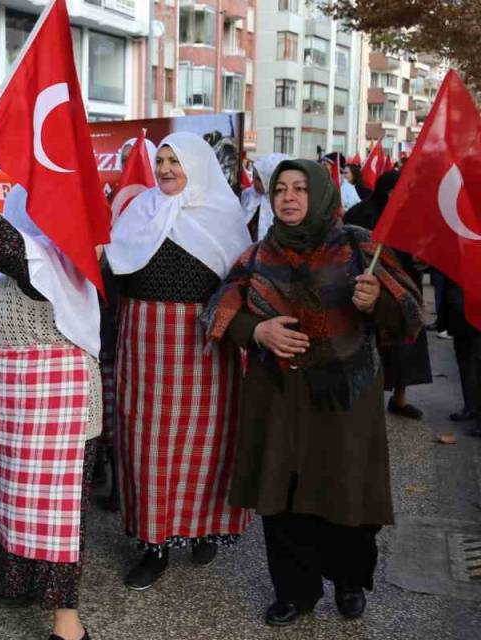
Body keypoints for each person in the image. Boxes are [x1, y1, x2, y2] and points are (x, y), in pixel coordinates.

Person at [203, 159, 423, 626]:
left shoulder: (359, 246)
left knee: (347, 494)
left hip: (346, 398)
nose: (288, 197)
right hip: (279, 396)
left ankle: (348, 582)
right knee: (283, 497)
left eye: (300, 188)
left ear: (320, 194)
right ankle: (294, 592)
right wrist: (258, 331)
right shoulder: (258, 255)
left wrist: (375, 301)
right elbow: (216, 311)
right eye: (280, 189)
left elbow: (409, 316)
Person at [0, 145, 102, 640]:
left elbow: (11, 251)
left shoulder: (57, 262)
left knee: (57, 512)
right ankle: (17, 580)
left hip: (60, 402)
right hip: (16, 399)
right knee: (14, 497)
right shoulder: (26, 260)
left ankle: (67, 623)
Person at [104, 132, 253, 590]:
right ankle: (155, 546)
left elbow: (242, 286)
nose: (166, 169)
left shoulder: (223, 217)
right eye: (162, 160)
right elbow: (114, 272)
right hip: (143, 344)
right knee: (146, 443)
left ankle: (205, 525)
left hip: (204, 348)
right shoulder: (138, 211)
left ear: (198, 166)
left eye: (176, 161)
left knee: (205, 445)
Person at [345, 171, 432, 419]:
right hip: (370, 288)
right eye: (393, 191)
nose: (397, 196)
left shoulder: (410, 215)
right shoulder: (361, 213)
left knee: (406, 347)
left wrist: (422, 261)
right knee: (370, 348)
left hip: (403, 289)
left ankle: (400, 398)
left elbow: (423, 246)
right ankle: (365, 398)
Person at [440, 276, 479, 435]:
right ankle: (471, 406)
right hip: (459, 301)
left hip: (471, 300)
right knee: (465, 356)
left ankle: (474, 409)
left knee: (474, 358)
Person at [240, 153, 288, 242]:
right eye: (253, 176)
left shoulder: (283, 203)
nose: (253, 182)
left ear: (270, 179)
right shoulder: (249, 195)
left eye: (259, 179)